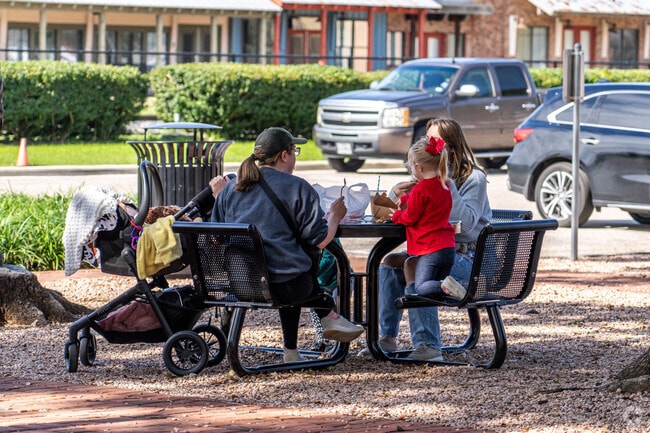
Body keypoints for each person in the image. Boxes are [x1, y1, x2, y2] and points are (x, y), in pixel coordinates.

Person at [211, 127, 364, 363]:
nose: (294, 157)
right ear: (284, 155)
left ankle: (297, 347)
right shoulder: (297, 187)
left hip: (240, 284)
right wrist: (335, 215)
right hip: (288, 286)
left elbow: (216, 237)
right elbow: (321, 239)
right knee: (292, 266)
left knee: (284, 261)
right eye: (295, 151)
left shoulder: (229, 189)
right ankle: (327, 311)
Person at [359, 117, 491, 361]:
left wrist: (444, 186)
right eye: (426, 140)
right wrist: (395, 194)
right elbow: (403, 214)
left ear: (450, 147)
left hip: (469, 259)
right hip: (433, 252)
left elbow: (470, 227)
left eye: (435, 141)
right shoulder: (425, 177)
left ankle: (428, 345)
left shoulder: (474, 179)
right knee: (390, 262)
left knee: (413, 265)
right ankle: (387, 339)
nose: (430, 145)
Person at [391, 136, 465, 300]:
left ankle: (453, 285)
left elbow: (410, 218)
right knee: (441, 283)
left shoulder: (421, 190)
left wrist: (396, 215)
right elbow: (430, 205)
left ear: (418, 166)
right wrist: (405, 199)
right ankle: (454, 285)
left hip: (430, 249)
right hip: (448, 248)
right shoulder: (444, 186)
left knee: (423, 287)